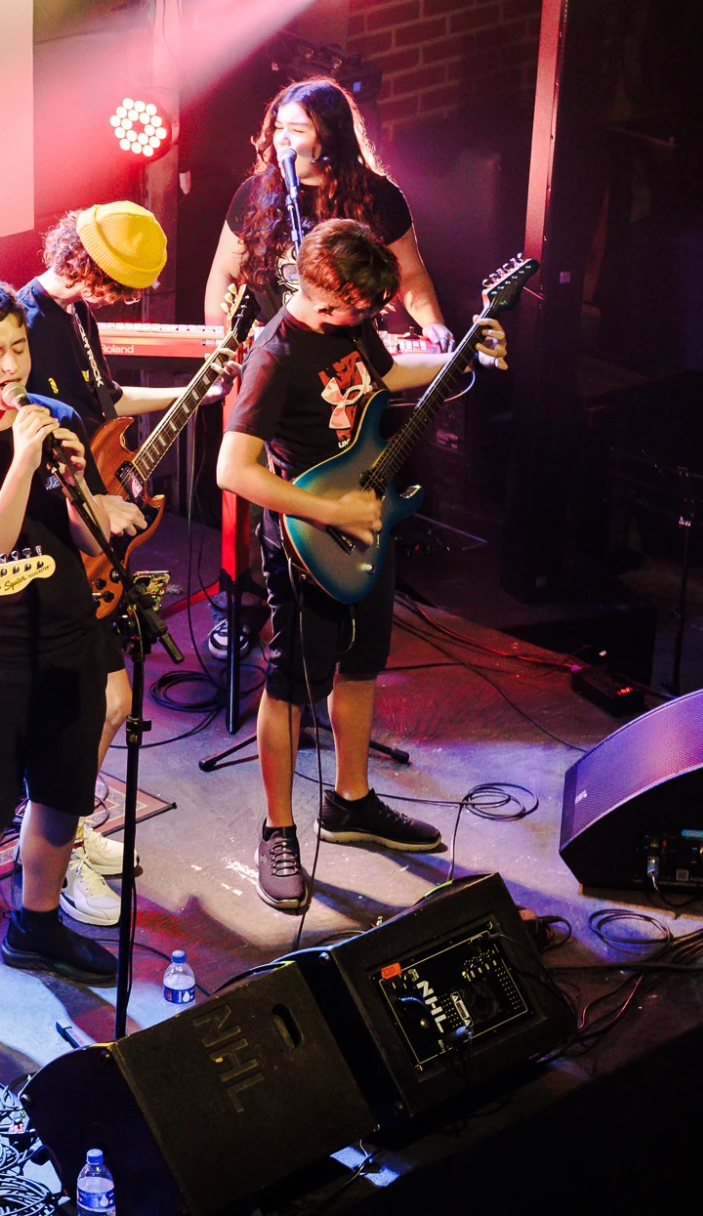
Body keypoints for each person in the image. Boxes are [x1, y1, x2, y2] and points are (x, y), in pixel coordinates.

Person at [216, 221, 507, 911]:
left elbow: (383, 375)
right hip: (306, 536)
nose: (362, 322)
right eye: (353, 310)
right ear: (317, 291)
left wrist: (458, 357)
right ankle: (279, 827)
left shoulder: (351, 325)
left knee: (361, 662)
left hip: (364, 520)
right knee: (290, 685)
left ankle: (350, 803)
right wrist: (329, 513)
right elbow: (233, 469)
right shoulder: (273, 355)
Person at [0, 278, 146, 1056]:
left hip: (70, 633)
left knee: (60, 798)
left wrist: (87, 491)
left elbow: (82, 538)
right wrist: (23, 459)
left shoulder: (60, 420)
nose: (11, 365)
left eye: (18, 347)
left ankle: (35, 926)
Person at [18, 202, 232, 924]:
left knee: (110, 705)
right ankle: (61, 851)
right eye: (114, 286)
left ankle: (72, 830)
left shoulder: (75, 314)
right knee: (91, 710)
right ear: (83, 263)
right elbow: (39, 440)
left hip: (91, 537)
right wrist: (89, 510)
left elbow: (103, 401)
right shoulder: (28, 323)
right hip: (56, 540)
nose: (117, 300)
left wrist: (194, 388)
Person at [204, 78, 454, 350]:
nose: (282, 139)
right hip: (271, 350)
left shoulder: (379, 197)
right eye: (278, 128)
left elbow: (410, 276)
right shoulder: (253, 193)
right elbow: (223, 273)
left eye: (297, 130)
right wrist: (216, 343)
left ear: (329, 138)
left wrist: (432, 324)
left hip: (349, 351)